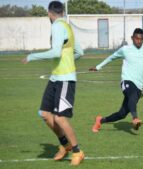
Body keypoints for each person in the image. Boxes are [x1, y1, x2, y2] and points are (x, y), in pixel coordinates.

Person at [21, 1, 84, 165]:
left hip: (64, 78)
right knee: (45, 113)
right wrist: (69, 60)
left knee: (60, 118)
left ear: (49, 13)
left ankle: (78, 151)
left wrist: (31, 56)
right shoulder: (67, 26)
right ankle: (65, 145)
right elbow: (80, 52)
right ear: (62, 11)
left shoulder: (57, 26)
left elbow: (56, 52)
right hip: (55, 77)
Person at [90, 28, 143, 132]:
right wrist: (98, 67)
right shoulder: (125, 49)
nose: (139, 41)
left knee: (122, 114)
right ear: (132, 38)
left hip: (139, 86)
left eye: (141, 39)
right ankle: (135, 118)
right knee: (131, 93)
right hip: (126, 81)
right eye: (137, 39)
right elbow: (111, 57)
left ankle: (100, 121)